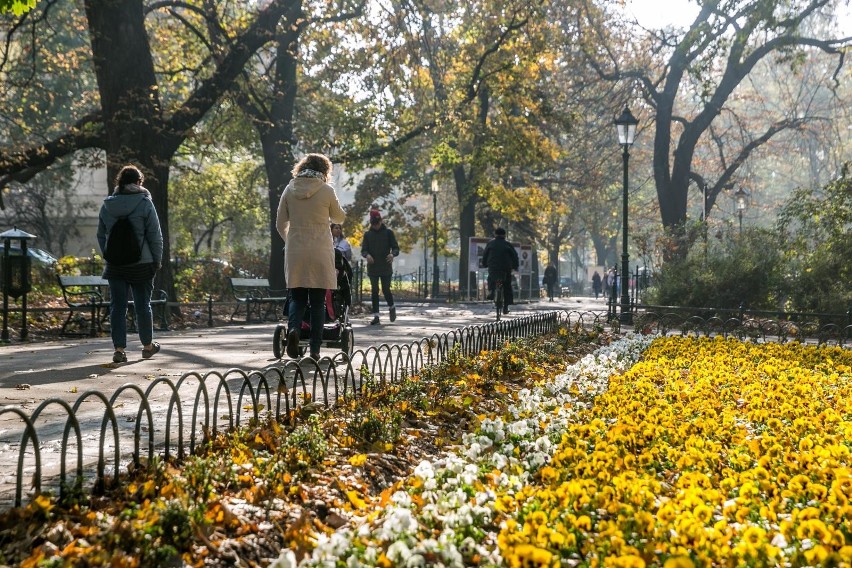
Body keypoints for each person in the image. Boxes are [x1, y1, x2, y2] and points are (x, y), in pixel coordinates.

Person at [276, 153, 345, 360]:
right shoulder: (326, 190)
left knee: (296, 297)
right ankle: (315, 349)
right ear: (324, 170)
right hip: (320, 250)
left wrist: (290, 241)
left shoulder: (289, 189)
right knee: (317, 301)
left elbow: (280, 223)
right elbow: (339, 217)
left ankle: (294, 330)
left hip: (296, 249)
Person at [96, 165, 164, 363]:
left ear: (120, 182)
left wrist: (109, 255)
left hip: (115, 265)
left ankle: (119, 350)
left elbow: (101, 235)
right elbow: (155, 235)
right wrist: (157, 260)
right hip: (142, 264)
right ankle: (147, 346)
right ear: (139, 182)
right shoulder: (145, 203)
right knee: (143, 305)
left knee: (117, 306)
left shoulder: (107, 205)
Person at [361, 207, 399, 325]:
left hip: (385, 266)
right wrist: (367, 255)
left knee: (386, 289)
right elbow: (364, 250)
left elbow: (396, 247)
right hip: (373, 267)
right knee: (374, 290)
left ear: (381, 221)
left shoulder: (388, 233)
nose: (376, 226)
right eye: (373, 224)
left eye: (377, 223)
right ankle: (376, 315)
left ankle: (391, 306)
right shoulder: (368, 235)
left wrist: (392, 254)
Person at [481, 227, 519, 314]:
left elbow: (485, 255)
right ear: (504, 235)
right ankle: (506, 306)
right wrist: (515, 266)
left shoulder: (490, 244)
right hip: (505, 268)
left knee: (491, 279)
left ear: (495, 234)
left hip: (493, 266)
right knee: (507, 285)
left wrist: (484, 264)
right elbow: (514, 256)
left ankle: (491, 291)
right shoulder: (508, 244)